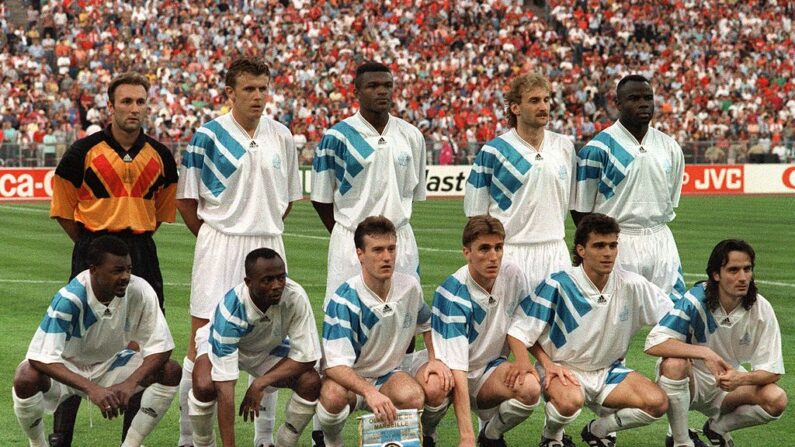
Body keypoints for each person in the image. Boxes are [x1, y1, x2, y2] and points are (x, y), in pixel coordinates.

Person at [176, 57, 302, 447]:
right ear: (229, 92)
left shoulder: (281, 135)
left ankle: (263, 439)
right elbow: (186, 201)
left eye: (263, 88)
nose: (259, 96)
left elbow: (288, 200)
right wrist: (217, 235)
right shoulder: (207, 137)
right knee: (202, 345)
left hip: (267, 246)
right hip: (219, 247)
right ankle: (190, 438)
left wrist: (258, 225)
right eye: (249, 89)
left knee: (270, 342)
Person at [48, 71, 178, 447]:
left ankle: (129, 441)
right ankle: (61, 438)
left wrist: (130, 244)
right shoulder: (81, 153)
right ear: (111, 106)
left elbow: (159, 214)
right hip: (93, 249)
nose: (134, 109)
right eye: (126, 101)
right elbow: (63, 209)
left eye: (140, 101)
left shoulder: (161, 156)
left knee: (146, 347)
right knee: (76, 346)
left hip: (141, 253)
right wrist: (93, 247)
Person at [507, 213, 674, 447]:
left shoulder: (633, 284)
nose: (607, 253)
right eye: (599, 246)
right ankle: (551, 437)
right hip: (564, 371)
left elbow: (674, 318)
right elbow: (519, 331)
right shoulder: (558, 284)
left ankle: (598, 430)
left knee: (656, 403)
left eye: (613, 245)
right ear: (581, 250)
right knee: (568, 403)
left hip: (609, 371)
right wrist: (546, 364)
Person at [11, 236, 181, 447]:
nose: (126, 277)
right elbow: (40, 358)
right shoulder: (70, 299)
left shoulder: (141, 290)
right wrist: (92, 388)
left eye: (129, 269)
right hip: (67, 368)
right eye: (117, 270)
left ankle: (131, 444)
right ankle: (37, 444)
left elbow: (161, 347)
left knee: (170, 370)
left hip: (112, 364)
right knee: (26, 376)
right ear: (93, 269)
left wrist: (130, 383)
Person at [316, 216, 445, 447]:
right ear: (360, 254)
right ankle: (331, 442)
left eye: (391, 249)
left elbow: (427, 324)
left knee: (415, 395)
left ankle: (423, 438)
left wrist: (434, 359)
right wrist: (369, 392)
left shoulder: (410, 287)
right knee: (332, 395)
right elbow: (334, 365)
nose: (386, 257)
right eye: (377, 250)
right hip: (350, 379)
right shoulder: (344, 300)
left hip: (388, 375)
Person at [645, 240, 787, 447]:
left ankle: (717, 429)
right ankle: (680, 440)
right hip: (690, 379)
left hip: (726, 385)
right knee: (674, 364)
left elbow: (773, 371)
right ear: (716, 274)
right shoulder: (695, 300)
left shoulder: (761, 308)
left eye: (747, 269)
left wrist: (741, 378)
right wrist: (705, 353)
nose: (743, 277)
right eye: (733, 270)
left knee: (776, 398)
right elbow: (654, 343)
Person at [310, 61, 426, 304]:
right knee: (346, 317)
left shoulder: (411, 136)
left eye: (387, 85)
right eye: (373, 86)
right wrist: (356, 238)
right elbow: (321, 199)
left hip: (399, 241)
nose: (382, 91)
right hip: (351, 243)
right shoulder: (336, 137)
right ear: (356, 92)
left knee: (404, 320)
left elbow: (412, 193)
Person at [422, 215, 542, 447]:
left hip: (490, 370)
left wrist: (534, 361)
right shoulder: (453, 294)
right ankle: (427, 434)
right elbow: (458, 369)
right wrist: (465, 436)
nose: (493, 257)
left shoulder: (513, 275)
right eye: (484, 249)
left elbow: (524, 325)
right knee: (435, 386)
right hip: (451, 372)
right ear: (466, 252)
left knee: (529, 386)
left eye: (498, 248)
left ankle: (491, 435)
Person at [188, 248, 322, 447]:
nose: (277, 285)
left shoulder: (295, 296)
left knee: (310, 381)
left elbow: (307, 356)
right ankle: (203, 443)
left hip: (267, 348)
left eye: (281, 277)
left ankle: (285, 443)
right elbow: (226, 388)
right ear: (248, 282)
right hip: (223, 343)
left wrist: (260, 382)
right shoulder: (231, 311)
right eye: (267, 280)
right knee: (205, 384)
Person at [572, 74, 686, 300]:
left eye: (648, 98)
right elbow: (580, 210)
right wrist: (602, 242)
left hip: (660, 239)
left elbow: (670, 200)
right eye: (634, 98)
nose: (643, 103)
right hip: (617, 242)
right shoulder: (597, 150)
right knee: (612, 319)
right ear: (618, 104)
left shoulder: (670, 147)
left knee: (675, 317)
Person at [464, 73, 576, 291]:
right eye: (534, 101)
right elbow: (476, 216)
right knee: (508, 325)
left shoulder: (564, 147)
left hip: (555, 251)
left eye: (546, 99)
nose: (543, 106)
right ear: (515, 108)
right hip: (511, 253)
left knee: (558, 325)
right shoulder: (493, 152)